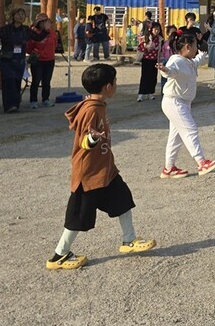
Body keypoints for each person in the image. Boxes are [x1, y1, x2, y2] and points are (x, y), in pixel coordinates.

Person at [45, 64, 156, 270]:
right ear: (107, 86)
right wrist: (93, 139)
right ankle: (59, 255)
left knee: (123, 199)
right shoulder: (91, 110)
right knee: (78, 215)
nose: (116, 85)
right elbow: (84, 142)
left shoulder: (98, 104)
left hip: (105, 170)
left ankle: (129, 240)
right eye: (115, 82)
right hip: (88, 173)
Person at [157, 33, 215, 178]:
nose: (196, 49)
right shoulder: (176, 60)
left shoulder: (189, 61)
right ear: (187, 47)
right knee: (190, 129)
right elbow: (170, 71)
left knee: (176, 136)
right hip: (174, 102)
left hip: (181, 103)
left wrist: (202, 55)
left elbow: (197, 61)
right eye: (195, 46)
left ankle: (169, 168)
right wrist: (165, 70)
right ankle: (201, 162)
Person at [0, 7, 31, 113]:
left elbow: (38, 37)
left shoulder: (26, 29)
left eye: (22, 14)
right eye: (18, 14)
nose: (21, 16)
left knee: (17, 82)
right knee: (9, 81)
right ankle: (8, 106)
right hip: (7, 60)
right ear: (13, 16)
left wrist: (45, 29)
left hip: (19, 60)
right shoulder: (6, 29)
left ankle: (15, 105)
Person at [28, 13, 62, 108]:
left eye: (47, 21)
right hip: (38, 60)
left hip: (50, 59)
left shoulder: (52, 32)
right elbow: (29, 47)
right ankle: (33, 100)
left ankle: (45, 99)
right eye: (44, 22)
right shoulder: (34, 32)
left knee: (47, 81)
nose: (47, 23)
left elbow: (55, 44)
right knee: (36, 80)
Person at [136, 22, 164, 101]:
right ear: (151, 29)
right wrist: (147, 47)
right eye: (155, 29)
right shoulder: (147, 37)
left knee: (153, 77)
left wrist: (159, 60)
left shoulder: (160, 39)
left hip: (154, 60)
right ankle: (141, 94)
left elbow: (160, 50)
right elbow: (140, 47)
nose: (157, 31)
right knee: (145, 76)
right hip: (146, 59)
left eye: (158, 29)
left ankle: (150, 93)